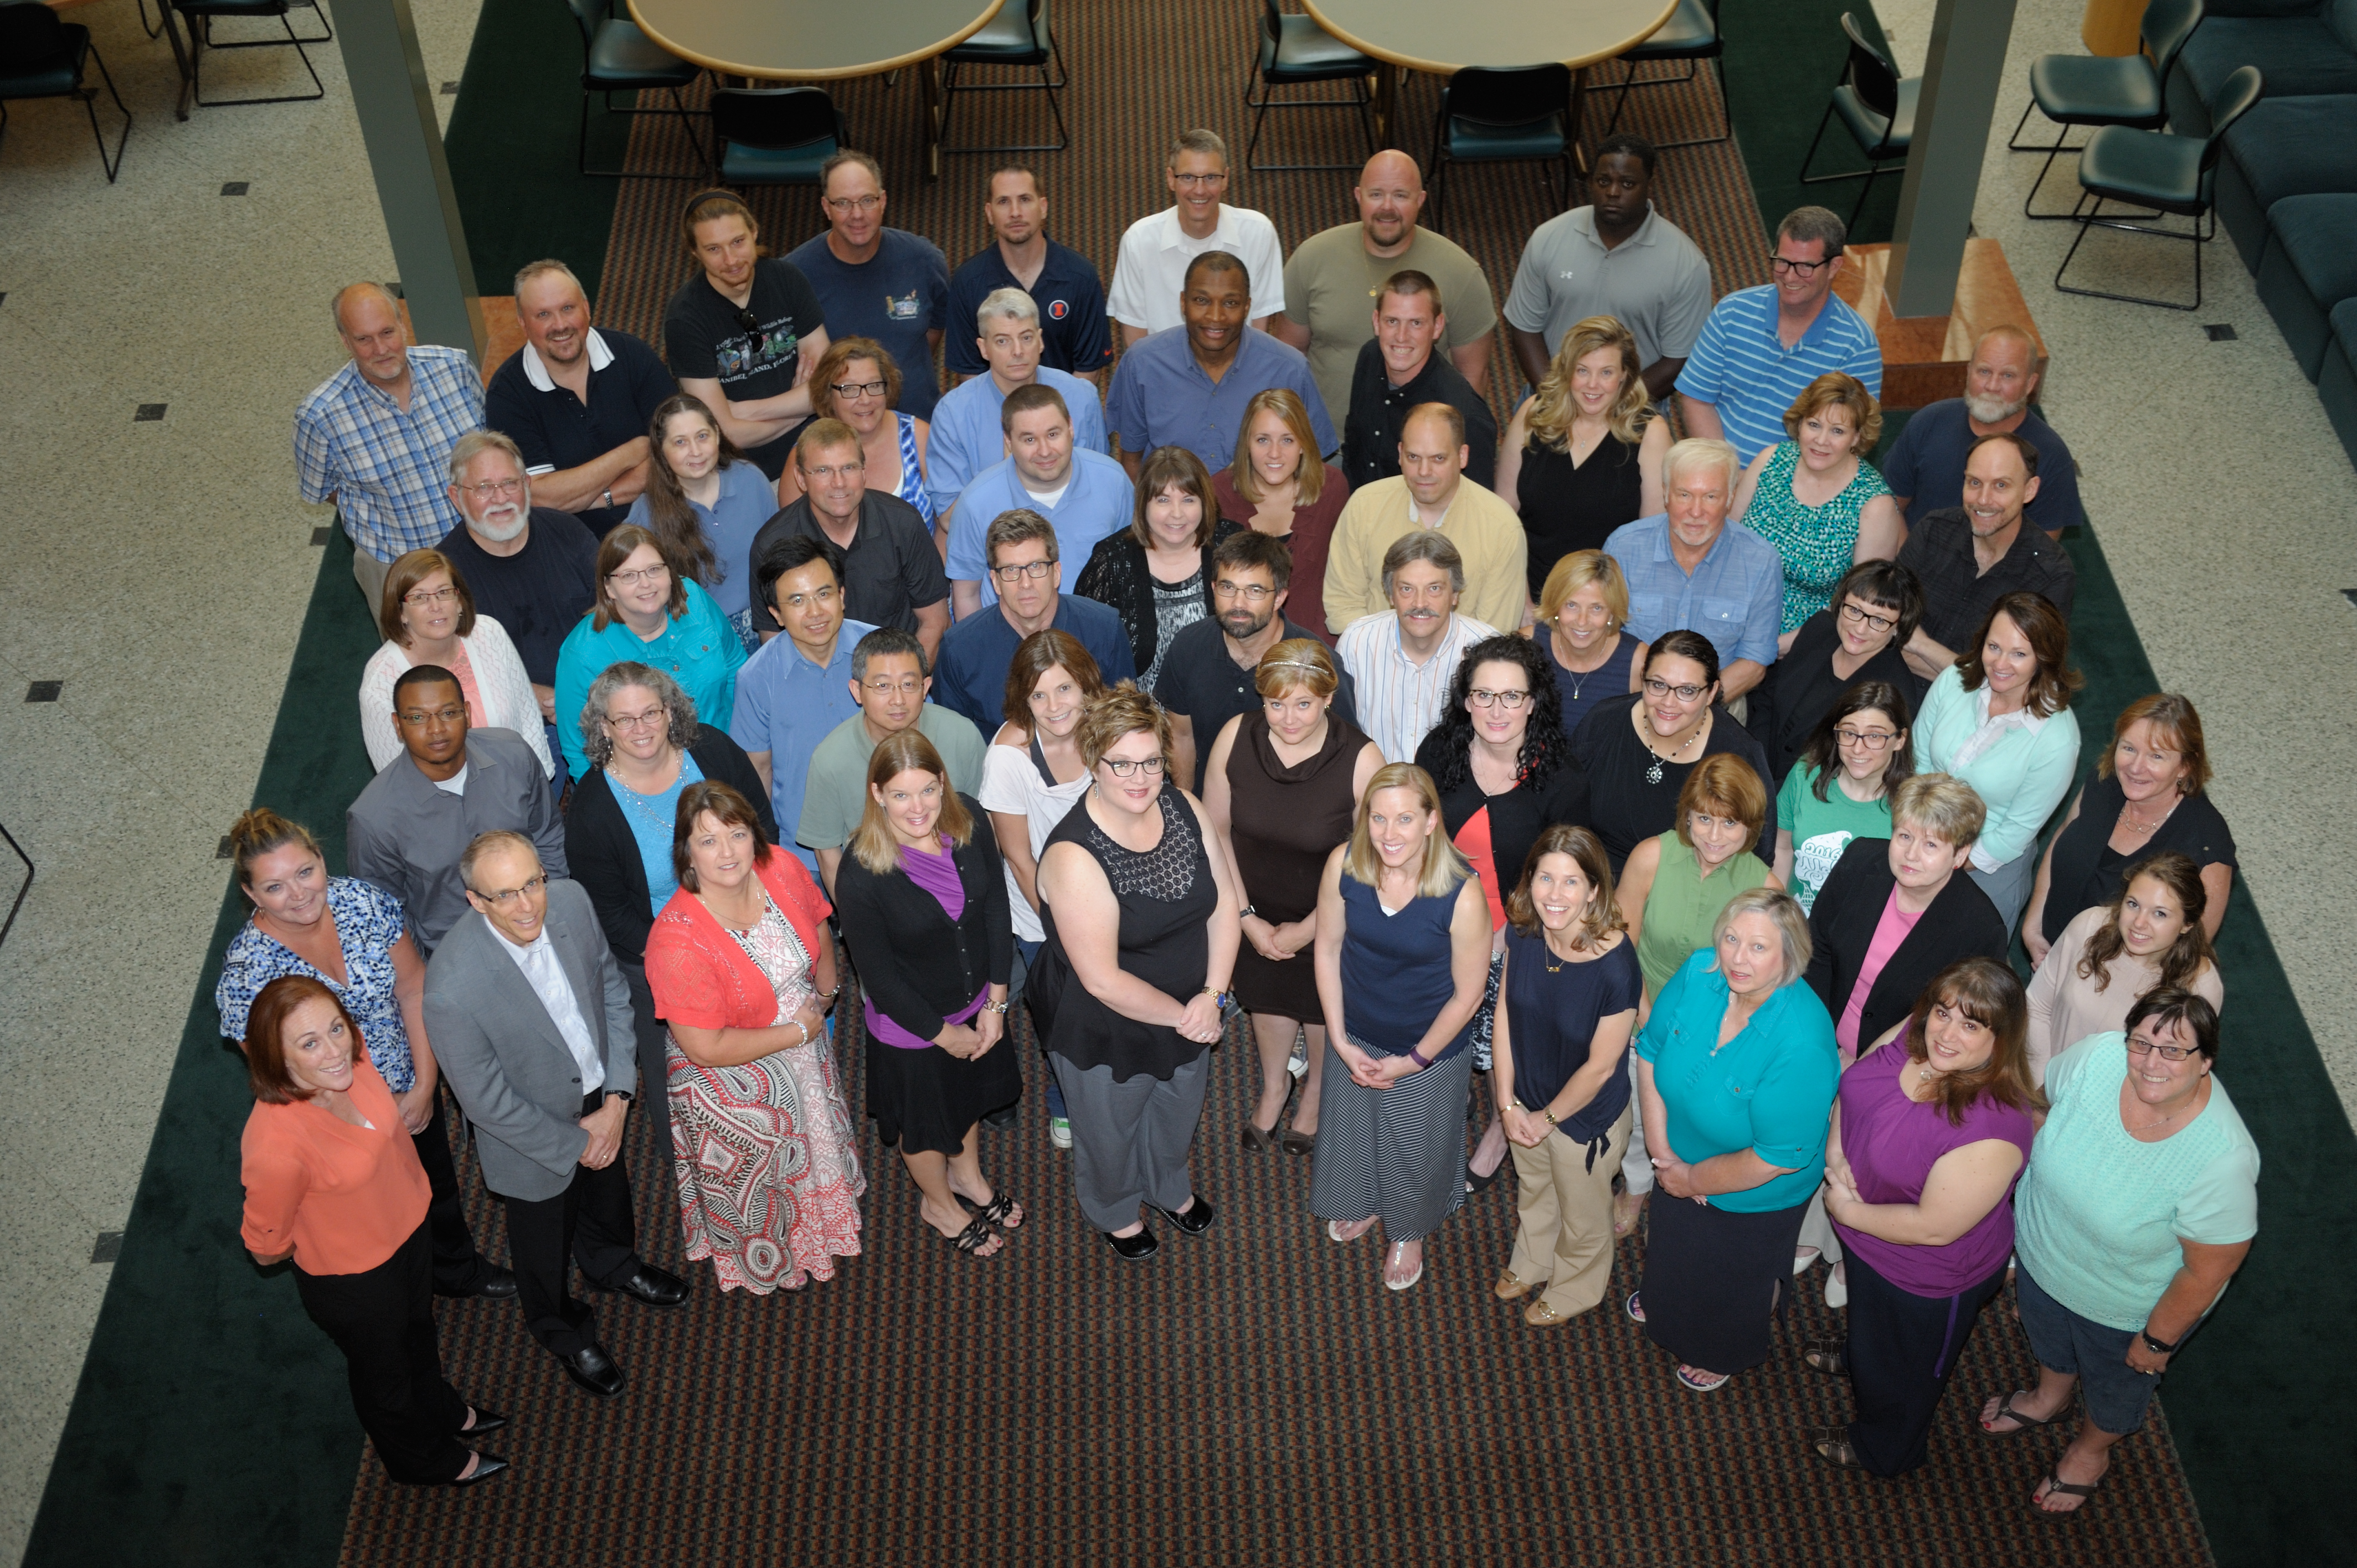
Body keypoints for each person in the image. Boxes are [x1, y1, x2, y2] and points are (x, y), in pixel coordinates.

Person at [424, 831, 689, 1399]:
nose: (526, 906)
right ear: (475, 901)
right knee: (541, 1247)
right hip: (529, 1137)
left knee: (610, 1198)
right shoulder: (450, 987)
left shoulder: (570, 900)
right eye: (504, 895)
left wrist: (617, 1098)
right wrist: (576, 1143)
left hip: (600, 1099)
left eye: (531, 884)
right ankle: (562, 1331)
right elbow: (484, 1100)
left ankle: (613, 1265)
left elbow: (613, 993)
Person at [217, 810, 510, 1302]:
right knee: (377, 1219)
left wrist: (421, 1086)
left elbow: (414, 990)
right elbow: (278, 1080)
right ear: (250, 895)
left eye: (306, 872)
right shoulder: (248, 978)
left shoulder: (361, 903)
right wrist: (366, 1122)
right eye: (275, 887)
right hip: (338, 1125)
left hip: (408, 1081)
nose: (299, 894)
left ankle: (457, 1269)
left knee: (438, 1185)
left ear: (321, 860)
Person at [1988, 991, 2257, 1515]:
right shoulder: (2099, 1057)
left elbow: (2211, 1267)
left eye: (2176, 1051)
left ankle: (2090, 1453)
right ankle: (2049, 1397)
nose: (2152, 1063)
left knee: (2114, 1392)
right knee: (2049, 1341)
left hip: (2123, 1307)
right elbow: (2040, 1110)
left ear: (2207, 1062)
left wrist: (2157, 1342)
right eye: (2142, 1042)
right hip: (2043, 1260)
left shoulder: (2222, 1158)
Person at [236, 976, 507, 1486]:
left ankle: (441, 1409)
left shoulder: (352, 1065)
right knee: (386, 1376)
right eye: (309, 1043)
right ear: (278, 1059)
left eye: (337, 1029)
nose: (335, 1050)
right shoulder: (275, 1146)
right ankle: (421, 1462)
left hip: (408, 1231)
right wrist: (334, 1235)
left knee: (419, 1333)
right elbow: (266, 1248)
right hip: (355, 1279)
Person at [1029, 685, 1242, 1258]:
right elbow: (1101, 979)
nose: (1139, 777)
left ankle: (1167, 1185)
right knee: (1109, 1128)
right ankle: (1115, 1207)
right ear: (1092, 762)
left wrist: (1213, 995)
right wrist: (1189, 1017)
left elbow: (1223, 905)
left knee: (1176, 1111)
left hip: (1192, 1002)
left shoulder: (1184, 807)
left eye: (1150, 760)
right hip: (1105, 1022)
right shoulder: (1073, 855)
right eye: (1121, 763)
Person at [1806, 958, 2040, 1477]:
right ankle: (1859, 1354)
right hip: (1868, 1244)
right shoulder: (1918, 1031)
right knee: (1872, 1330)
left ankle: (1886, 1450)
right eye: (1943, 1012)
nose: (1947, 1033)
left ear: (2000, 1040)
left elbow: (1935, 1228)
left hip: (1926, 1280)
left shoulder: (1994, 1125)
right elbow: (1857, 1085)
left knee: (1906, 1376)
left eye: (1971, 1025)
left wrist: (1847, 1209)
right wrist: (1838, 1150)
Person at [643, 783, 864, 1292]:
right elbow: (704, 1047)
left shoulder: (780, 867)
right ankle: (774, 1257)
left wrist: (827, 993)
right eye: (708, 841)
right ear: (687, 853)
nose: (727, 853)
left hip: (803, 1043)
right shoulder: (676, 940)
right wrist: (795, 1032)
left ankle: (821, 1230)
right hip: (732, 1084)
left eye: (737, 834)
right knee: (763, 1184)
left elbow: (821, 925)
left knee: (812, 1143)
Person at [1627, 889, 1839, 1391]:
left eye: (1759, 947)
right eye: (1731, 939)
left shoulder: (1803, 1040)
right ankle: (1668, 1298)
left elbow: (1775, 1158)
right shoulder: (1702, 971)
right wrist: (1664, 1158)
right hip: (1677, 1155)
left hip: (1755, 1191)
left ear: (1790, 955)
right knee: (1677, 1244)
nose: (1738, 958)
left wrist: (1693, 1179)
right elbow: (1652, 1051)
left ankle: (1724, 1349)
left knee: (1731, 1274)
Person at [564, 662, 773, 1160]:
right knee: (686, 1090)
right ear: (603, 728)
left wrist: (746, 925)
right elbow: (612, 916)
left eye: (651, 713)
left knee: (767, 1063)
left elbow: (762, 830)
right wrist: (689, 957)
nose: (641, 729)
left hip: (749, 929)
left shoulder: (713, 750)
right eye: (625, 720)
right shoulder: (594, 809)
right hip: (659, 961)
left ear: (669, 711)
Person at [835, 733, 1025, 1257]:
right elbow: (881, 981)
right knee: (924, 1129)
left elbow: (995, 911)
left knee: (967, 1100)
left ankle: (968, 1180)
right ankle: (938, 1203)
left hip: (976, 1007)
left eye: (927, 791)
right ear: (877, 794)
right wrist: (947, 1037)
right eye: (900, 795)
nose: (917, 808)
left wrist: (995, 1004)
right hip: (913, 1028)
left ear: (943, 784)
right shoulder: (860, 873)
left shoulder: (968, 821)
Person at [1309, 763, 1495, 1290]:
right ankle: (1365, 1202)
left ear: (1432, 822)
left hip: (1429, 1046)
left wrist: (1415, 1059)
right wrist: (1340, 1041)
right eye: (1379, 818)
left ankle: (1409, 1231)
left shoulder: (1462, 891)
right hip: (1357, 1030)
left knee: (1418, 1144)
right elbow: (1326, 950)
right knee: (1357, 1134)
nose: (1390, 834)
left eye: (1405, 820)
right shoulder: (1343, 865)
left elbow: (1469, 995)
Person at [1415, 635, 1591, 1187]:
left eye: (1511, 697)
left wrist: (1511, 940)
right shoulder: (1439, 752)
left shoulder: (1561, 775)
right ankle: (1445, 1104)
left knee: (1504, 1046)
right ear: (1465, 700)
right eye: (1483, 695)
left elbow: (1565, 879)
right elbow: (1418, 847)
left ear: (1533, 701)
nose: (1497, 710)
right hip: (1441, 926)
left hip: (1523, 935)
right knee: (1434, 1033)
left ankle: (1496, 1129)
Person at [1203, 638, 1381, 1154]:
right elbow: (1216, 832)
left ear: (1329, 699)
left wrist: (1310, 929)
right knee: (1268, 1001)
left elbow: (1369, 858)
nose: (1288, 718)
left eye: (1303, 704)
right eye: (1276, 703)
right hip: (1253, 904)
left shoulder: (1362, 758)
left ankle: (1318, 1092)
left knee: (1320, 1007)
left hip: (1328, 916)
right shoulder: (1236, 736)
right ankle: (1276, 1085)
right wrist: (1245, 917)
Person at [1490, 826, 1641, 1324]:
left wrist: (1546, 1119)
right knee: (1534, 1190)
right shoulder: (1524, 931)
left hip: (1583, 1117)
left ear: (1595, 889)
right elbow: (1506, 1015)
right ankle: (1533, 1257)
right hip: (1528, 1101)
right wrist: (1508, 1102)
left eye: (1571, 882)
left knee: (1583, 1212)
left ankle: (1579, 1283)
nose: (1555, 895)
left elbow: (1601, 1066)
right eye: (1545, 879)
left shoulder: (1616, 967)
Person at [980, 630, 1109, 1151]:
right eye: (1039, 695)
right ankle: (1064, 1101)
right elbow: (1017, 856)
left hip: (1111, 898)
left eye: (1065, 690)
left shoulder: (1108, 731)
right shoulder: (1009, 758)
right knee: (1064, 1014)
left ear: (1086, 687)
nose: (1054, 706)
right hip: (1042, 914)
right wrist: (1063, 933)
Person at [348, 665, 569, 957]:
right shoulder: (373, 818)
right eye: (417, 718)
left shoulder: (513, 754)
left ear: (467, 712)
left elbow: (547, 834)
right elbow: (387, 916)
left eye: (448, 713)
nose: (436, 729)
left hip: (539, 924)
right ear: (397, 725)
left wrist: (555, 910)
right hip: (457, 954)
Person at [1270, 149, 1496, 429]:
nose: (1387, 207)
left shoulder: (1462, 274)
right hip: (1324, 447)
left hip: (1418, 456)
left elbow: (1473, 375)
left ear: (1421, 200)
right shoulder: (1311, 258)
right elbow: (1288, 359)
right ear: (1358, 197)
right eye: (1376, 194)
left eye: (1400, 195)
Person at [1805, 774, 2009, 1077]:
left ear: (1960, 854)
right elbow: (1816, 948)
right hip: (1817, 1034)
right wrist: (1817, 1040)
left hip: (1901, 1066)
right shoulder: (1859, 861)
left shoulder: (1980, 929)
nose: (1911, 855)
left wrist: (1872, 1065)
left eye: (1931, 844)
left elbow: (1953, 1025)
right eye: (1904, 836)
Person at [297, 281, 485, 609]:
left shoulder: (454, 368)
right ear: (345, 342)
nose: (380, 349)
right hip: (397, 566)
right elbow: (322, 489)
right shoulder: (319, 416)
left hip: (484, 547)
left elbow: (490, 444)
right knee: (420, 660)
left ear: (402, 324)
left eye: (387, 333)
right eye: (364, 340)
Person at [436, 430, 602, 783]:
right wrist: (532, 694)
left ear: (527, 485)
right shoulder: (442, 578)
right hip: (510, 727)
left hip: (596, 699)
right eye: (483, 487)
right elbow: (449, 671)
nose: (500, 498)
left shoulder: (568, 532)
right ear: (456, 497)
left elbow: (612, 612)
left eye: (510, 483)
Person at [1912, 592, 2082, 932]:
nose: (2000, 664)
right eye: (1994, 647)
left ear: (2044, 658)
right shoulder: (1955, 679)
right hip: (1920, 835)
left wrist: (1947, 862)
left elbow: (2015, 832)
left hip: (1986, 868)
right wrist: (1918, 839)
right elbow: (1919, 758)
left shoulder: (2058, 740)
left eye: (2019, 654)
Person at [2026, 694, 2235, 963]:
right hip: (2051, 952)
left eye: (2156, 756)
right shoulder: (2103, 782)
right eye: (2129, 749)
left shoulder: (2208, 844)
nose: (2136, 767)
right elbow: (2062, 839)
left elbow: (2189, 953)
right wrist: (2035, 926)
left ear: (2186, 766)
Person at [1503, 134, 1712, 403]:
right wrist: (1558, 401)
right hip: (1551, 399)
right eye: (1604, 181)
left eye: (1627, 183)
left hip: (1632, 410)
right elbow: (1524, 327)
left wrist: (1610, 411)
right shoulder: (1548, 238)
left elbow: (1679, 359)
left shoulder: (1687, 265)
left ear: (1649, 184)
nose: (1613, 192)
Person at [1158, 530, 1361, 793]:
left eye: (1255, 590)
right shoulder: (1188, 645)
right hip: (1208, 807)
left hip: (1293, 815)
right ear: (1213, 589)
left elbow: (1347, 751)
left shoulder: (1318, 661)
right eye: (1227, 587)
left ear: (1279, 597)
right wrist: (1186, 804)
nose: (1238, 603)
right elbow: (1181, 735)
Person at [1675, 207, 1882, 464]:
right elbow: (1697, 398)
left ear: (1833, 267)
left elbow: (1846, 444)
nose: (1790, 276)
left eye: (1805, 266)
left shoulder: (1858, 347)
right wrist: (1724, 472)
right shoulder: (1732, 311)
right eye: (1782, 262)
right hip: (1715, 467)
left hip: (1792, 490)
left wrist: (1764, 486)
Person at [484, 259, 674, 533]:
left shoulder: (633, 356)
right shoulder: (507, 394)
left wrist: (592, 498)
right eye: (543, 315)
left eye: (567, 308)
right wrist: (634, 451)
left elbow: (677, 455)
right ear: (523, 324)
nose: (560, 325)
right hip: (573, 543)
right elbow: (540, 496)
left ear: (586, 309)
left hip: (664, 521)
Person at [1106, 251, 1333, 477]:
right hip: (1171, 509)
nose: (1216, 317)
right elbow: (1131, 460)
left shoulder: (1290, 370)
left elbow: (1313, 464)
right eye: (1202, 301)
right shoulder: (1142, 363)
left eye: (1230, 303)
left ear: (1247, 307)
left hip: (1259, 510)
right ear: (1184, 303)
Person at [797, 626, 987, 896]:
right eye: (883, 686)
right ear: (857, 691)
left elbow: (984, 827)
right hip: (878, 896)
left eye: (909, 685)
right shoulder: (830, 760)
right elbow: (828, 855)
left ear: (926, 688)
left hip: (960, 887)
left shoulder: (962, 735)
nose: (898, 700)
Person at [730, 535, 879, 877]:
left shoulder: (884, 653)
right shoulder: (756, 678)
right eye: (797, 601)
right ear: (776, 614)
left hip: (892, 834)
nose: (814, 612)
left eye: (824, 594)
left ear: (842, 597)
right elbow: (758, 774)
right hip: (804, 855)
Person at [1568, 631, 1772, 877]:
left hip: (1686, 893)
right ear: (1643, 679)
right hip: (1594, 881)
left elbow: (1757, 855)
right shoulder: (1603, 723)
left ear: (1711, 692)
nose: (1668, 702)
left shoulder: (1740, 752)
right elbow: (1563, 819)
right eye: (1658, 685)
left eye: (1687, 691)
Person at [552, 524, 747, 781]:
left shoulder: (696, 600)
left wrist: (745, 750)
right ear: (609, 588)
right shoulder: (582, 655)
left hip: (728, 759)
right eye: (629, 576)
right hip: (647, 784)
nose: (646, 584)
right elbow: (580, 752)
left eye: (655, 570)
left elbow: (738, 670)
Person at [1496, 317, 1670, 604]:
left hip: (1604, 602)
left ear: (1625, 375)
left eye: (1606, 373)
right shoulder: (1534, 415)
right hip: (1527, 592)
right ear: (1567, 372)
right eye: (1583, 371)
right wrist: (1522, 601)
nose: (1593, 385)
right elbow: (1502, 518)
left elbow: (1651, 544)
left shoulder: (1651, 434)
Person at [747, 418, 950, 661]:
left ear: (864, 473)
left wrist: (903, 686)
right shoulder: (772, 544)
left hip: (898, 671)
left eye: (849, 468)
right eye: (823, 471)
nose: (839, 483)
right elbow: (774, 646)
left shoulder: (903, 523)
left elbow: (934, 622)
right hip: (816, 681)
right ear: (801, 479)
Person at [661, 189, 829, 480]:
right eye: (713, 249)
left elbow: (827, 385)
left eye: (737, 242)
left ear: (754, 232)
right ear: (695, 252)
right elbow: (725, 433)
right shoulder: (685, 319)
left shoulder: (788, 280)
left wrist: (743, 411)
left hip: (817, 452)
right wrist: (801, 408)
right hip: (745, 473)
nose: (730, 260)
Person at [1323, 403, 1527, 636]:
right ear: (1400, 454)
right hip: (1373, 658)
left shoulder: (1502, 528)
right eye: (1413, 457)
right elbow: (1342, 605)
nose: (1423, 471)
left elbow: (1492, 634)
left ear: (1462, 456)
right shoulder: (1363, 506)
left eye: (1438, 458)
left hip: (1463, 668)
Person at [1603, 438, 1782, 703]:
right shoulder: (1623, 547)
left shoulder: (1761, 561)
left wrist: (1694, 707)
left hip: (1718, 702)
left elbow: (1754, 662)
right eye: (1684, 495)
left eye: (1711, 496)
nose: (1696, 512)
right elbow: (1604, 637)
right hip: (1630, 699)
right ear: (1665, 493)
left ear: (1731, 497)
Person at [1728, 372, 1902, 637]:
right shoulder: (1770, 460)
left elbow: (1861, 611)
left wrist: (1774, 647)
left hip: (1808, 641)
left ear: (1857, 437)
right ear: (1799, 425)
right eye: (1814, 425)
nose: (1821, 440)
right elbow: (1726, 541)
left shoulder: (1874, 504)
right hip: (1733, 613)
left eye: (1837, 431)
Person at [2027, 853, 2224, 1086]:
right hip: (2038, 1084)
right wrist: (2043, 1086)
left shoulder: (2200, 985)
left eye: (2160, 913)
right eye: (2133, 904)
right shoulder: (2089, 927)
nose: (2139, 923)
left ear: (2187, 924)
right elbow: (2037, 1006)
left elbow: (2173, 1072)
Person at [933, 508, 1138, 731]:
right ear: (995, 581)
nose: (1026, 583)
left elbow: (1124, 724)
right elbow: (954, 742)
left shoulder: (1104, 628)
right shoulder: (959, 648)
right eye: (1011, 570)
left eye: (1036, 567)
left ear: (1057, 573)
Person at [359, 548, 553, 780]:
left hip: (519, 783)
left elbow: (528, 717)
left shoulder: (489, 634)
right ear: (401, 612)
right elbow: (394, 778)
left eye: (444, 592)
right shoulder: (380, 685)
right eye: (419, 597)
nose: (435, 606)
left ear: (460, 602)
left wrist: (539, 785)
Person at [1895, 434, 2077, 678]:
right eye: (1975, 483)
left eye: (2001, 485)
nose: (1983, 500)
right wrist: (1972, 674)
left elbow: (2013, 682)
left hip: (1970, 715)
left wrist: (1920, 645)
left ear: (2029, 490)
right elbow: (1882, 628)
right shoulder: (1933, 530)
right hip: (1889, 690)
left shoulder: (2051, 576)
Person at [785, 151, 949, 420]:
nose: (857, 215)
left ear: (883, 201)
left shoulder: (925, 260)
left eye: (867, 200)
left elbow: (934, 331)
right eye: (843, 204)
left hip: (916, 425)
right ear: (826, 207)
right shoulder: (795, 276)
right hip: (838, 437)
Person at [945, 382, 1134, 615]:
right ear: (1008, 441)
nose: (1045, 451)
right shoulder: (975, 502)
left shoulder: (1113, 481)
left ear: (1071, 428)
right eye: (1030, 440)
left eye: (1053, 434)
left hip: (1095, 635)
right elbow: (966, 594)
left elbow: (1133, 568)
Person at [927, 288, 1110, 526]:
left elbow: (1102, 488)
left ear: (1040, 340)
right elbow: (951, 519)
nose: (1017, 351)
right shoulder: (953, 414)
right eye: (1003, 341)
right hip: (993, 547)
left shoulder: (1081, 398)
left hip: (1078, 534)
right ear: (983, 349)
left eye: (1026, 338)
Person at [1743, 559, 1927, 789]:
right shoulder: (1820, 629)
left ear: (1898, 628)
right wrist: (1754, 769)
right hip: (1755, 769)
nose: (1860, 628)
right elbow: (1766, 700)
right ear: (1841, 604)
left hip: (1811, 795)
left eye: (1879, 620)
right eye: (1855, 610)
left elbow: (1851, 769)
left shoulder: (1895, 690)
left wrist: (1776, 793)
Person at [1881, 326, 2081, 535]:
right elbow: (1890, 509)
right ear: (1969, 373)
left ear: (2030, 384)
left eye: (2008, 376)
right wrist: (1907, 559)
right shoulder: (1928, 422)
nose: (1993, 386)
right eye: (1984, 372)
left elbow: (2040, 552)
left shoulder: (2052, 457)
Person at [1074, 445, 1243, 692]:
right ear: (1144, 504)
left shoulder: (1232, 545)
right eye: (1163, 500)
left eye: (1188, 500)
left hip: (1223, 709)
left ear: (1205, 502)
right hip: (1138, 720)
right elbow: (1080, 651)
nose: (1177, 514)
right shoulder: (1111, 559)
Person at [623, 392, 776, 652]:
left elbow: (781, 558)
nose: (695, 451)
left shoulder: (750, 479)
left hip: (768, 624)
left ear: (717, 434)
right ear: (661, 450)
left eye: (702, 437)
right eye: (680, 442)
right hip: (698, 641)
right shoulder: (645, 513)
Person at [1620, 754, 1778, 1004]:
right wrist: (1647, 1020)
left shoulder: (1766, 889)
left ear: (1750, 826)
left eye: (1729, 822)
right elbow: (1620, 955)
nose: (1714, 837)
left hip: (1714, 1016)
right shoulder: (1649, 857)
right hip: (1634, 1000)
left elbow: (1761, 988)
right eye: (1705, 819)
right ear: (1688, 816)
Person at [1335, 531, 1502, 765]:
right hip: (1373, 789)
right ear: (1390, 595)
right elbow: (1338, 731)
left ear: (1455, 594)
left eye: (1434, 589)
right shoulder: (1357, 642)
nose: (1420, 603)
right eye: (1407, 589)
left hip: (1455, 792)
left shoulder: (1487, 649)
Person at [1107, 128, 1286, 343]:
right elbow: (1136, 345)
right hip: (1162, 371)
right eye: (1188, 177)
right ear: (1171, 179)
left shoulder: (1259, 233)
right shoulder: (1138, 242)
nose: (1200, 190)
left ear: (1225, 179)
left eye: (1210, 177)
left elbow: (1258, 334)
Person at [945, 164, 1113, 386]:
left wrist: (1050, 420)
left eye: (1025, 199)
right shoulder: (967, 283)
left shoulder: (1081, 277)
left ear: (1043, 207)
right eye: (1004, 202)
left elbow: (1088, 370)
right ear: (989, 213)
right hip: (999, 416)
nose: (1015, 212)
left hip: (1063, 413)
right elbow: (971, 376)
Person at [1211, 390, 1351, 641]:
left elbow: (1348, 575)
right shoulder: (1218, 493)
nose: (1275, 453)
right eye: (1263, 440)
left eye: (1287, 440)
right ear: (1247, 444)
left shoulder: (1332, 488)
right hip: (1242, 642)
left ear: (1303, 445)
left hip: (1315, 645)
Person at [1340, 271, 1498, 492]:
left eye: (1416, 323)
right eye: (1392, 321)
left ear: (1438, 326)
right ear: (1377, 322)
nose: (1402, 336)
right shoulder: (1370, 356)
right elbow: (1354, 447)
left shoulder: (1464, 415)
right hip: (1359, 506)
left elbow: (1476, 506)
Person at [1772, 679, 1912, 914]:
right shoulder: (1804, 775)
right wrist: (1775, 914)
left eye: (1875, 737)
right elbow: (1782, 847)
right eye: (1849, 733)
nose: (1858, 749)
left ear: (1900, 740)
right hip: (1794, 926)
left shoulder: (1912, 805)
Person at [773, 338, 936, 528]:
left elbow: (947, 522)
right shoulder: (806, 455)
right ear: (828, 394)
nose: (865, 400)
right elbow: (795, 539)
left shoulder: (920, 438)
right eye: (849, 389)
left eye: (874, 385)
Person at [1533, 550, 1646, 741]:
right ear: (1555, 606)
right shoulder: (1528, 646)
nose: (1582, 621)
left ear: (1612, 613)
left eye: (1596, 608)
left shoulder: (1639, 661)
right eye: (1571, 605)